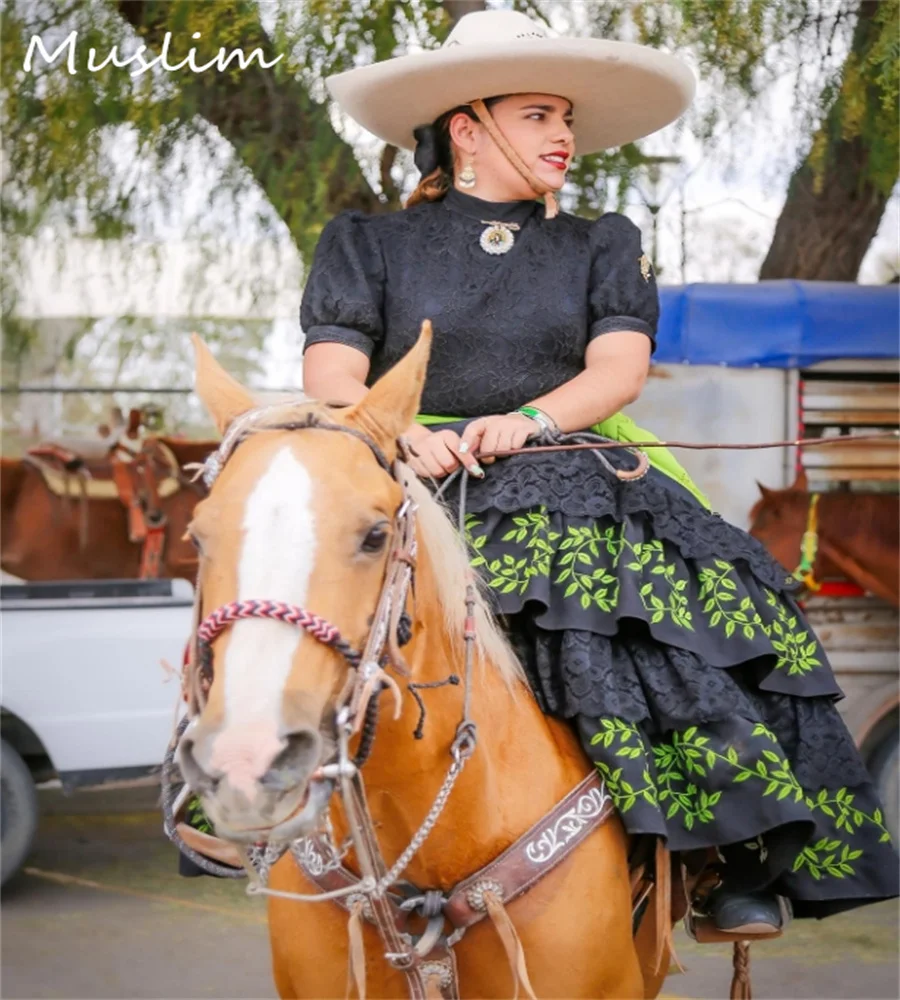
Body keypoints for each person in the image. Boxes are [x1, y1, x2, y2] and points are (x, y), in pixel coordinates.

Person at [300, 10, 898, 933]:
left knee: (731, 611)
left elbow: (617, 371)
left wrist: (528, 420)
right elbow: (334, 373)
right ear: (469, 125)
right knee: (277, 610)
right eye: (539, 115)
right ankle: (260, 812)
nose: (565, 136)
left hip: (569, 468)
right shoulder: (367, 245)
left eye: (566, 118)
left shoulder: (600, 244)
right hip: (413, 474)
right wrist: (401, 428)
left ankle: (722, 861)